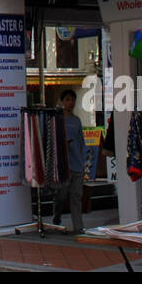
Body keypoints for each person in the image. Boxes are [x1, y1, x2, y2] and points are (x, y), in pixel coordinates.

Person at [54, 89, 86, 235]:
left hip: (77, 164)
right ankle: (57, 215)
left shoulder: (77, 120)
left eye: (72, 100)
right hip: (63, 165)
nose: (70, 103)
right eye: (67, 99)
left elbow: (81, 142)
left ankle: (78, 226)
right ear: (62, 102)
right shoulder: (57, 120)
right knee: (62, 195)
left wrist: (83, 160)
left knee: (76, 197)